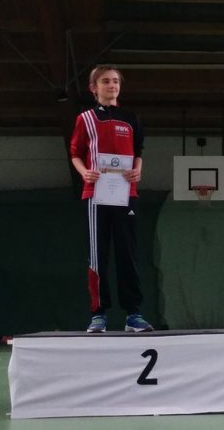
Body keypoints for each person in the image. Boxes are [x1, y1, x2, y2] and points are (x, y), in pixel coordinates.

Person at [70, 65, 153, 332]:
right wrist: (85, 173)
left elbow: (138, 152)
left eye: (116, 81)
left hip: (126, 194)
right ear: (93, 88)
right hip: (96, 194)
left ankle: (133, 314)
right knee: (98, 255)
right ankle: (99, 314)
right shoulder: (85, 119)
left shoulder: (131, 118)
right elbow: (75, 153)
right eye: (105, 81)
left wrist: (138, 169)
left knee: (127, 254)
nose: (112, 85)